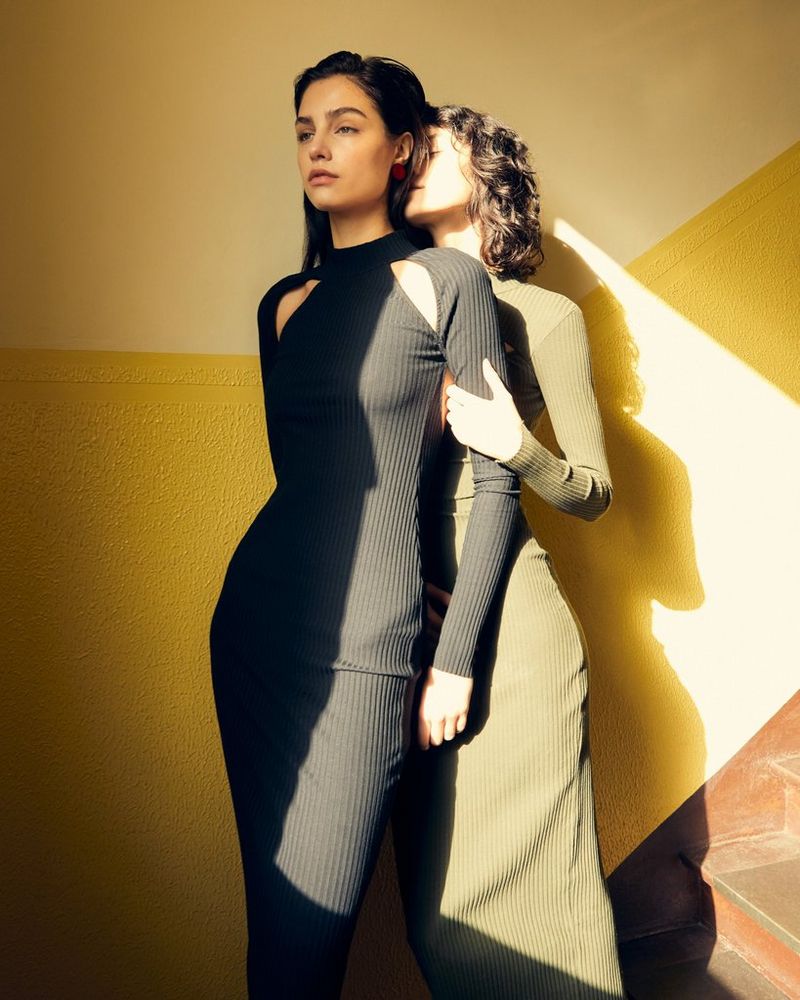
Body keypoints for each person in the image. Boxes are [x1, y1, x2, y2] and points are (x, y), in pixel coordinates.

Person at [208, 58, 520, 999]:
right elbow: (308, 479)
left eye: (345, 125)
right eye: (305, 129)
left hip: (369, 653)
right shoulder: (284, 304)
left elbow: (498, 481)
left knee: (307, 950)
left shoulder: (445, 280)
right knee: (277, 936)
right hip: (255, 633)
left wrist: (455, 656)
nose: (318, 146)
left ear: (401, 149)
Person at [392, 105, 627, 999]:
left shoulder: (546, 315)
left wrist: (514, 445)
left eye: (434, 150)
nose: (410, 163)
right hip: (422, 618)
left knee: (544, 903)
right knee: (437, 916)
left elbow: (595, 493)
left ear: (485, 171)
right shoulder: (397, 295)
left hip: (517, 639)